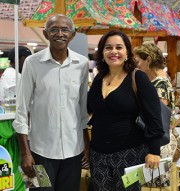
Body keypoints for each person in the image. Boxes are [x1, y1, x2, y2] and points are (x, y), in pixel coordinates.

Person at [13, 14, 89, 191]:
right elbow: (22, 110)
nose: (59, 34)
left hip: (74, 150)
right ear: (46, 34)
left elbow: (82, 109)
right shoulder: (33, 63)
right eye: (54, 29)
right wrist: (26, 153)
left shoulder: (82, 64)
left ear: (72, 35)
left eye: (65, 29)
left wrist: (87, 145)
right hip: (41, 152)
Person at [87, 30, 163, 191]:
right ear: (102, 53)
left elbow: (154, 116)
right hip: (98, 155)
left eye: (119, 47)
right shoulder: (99, 78)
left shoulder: (138, 78)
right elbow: (89, 109)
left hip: (130, 153)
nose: (113, 51)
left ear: (127, 52)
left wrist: (155, 151)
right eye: (108, 48)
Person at [133, 42, 177, 186]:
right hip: (160, 140)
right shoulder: (161, 81)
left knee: (154, 184)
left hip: (159, 142)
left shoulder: (159, 84)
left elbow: (156, 116)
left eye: (138, 61)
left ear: (149, 60)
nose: (136, 66)